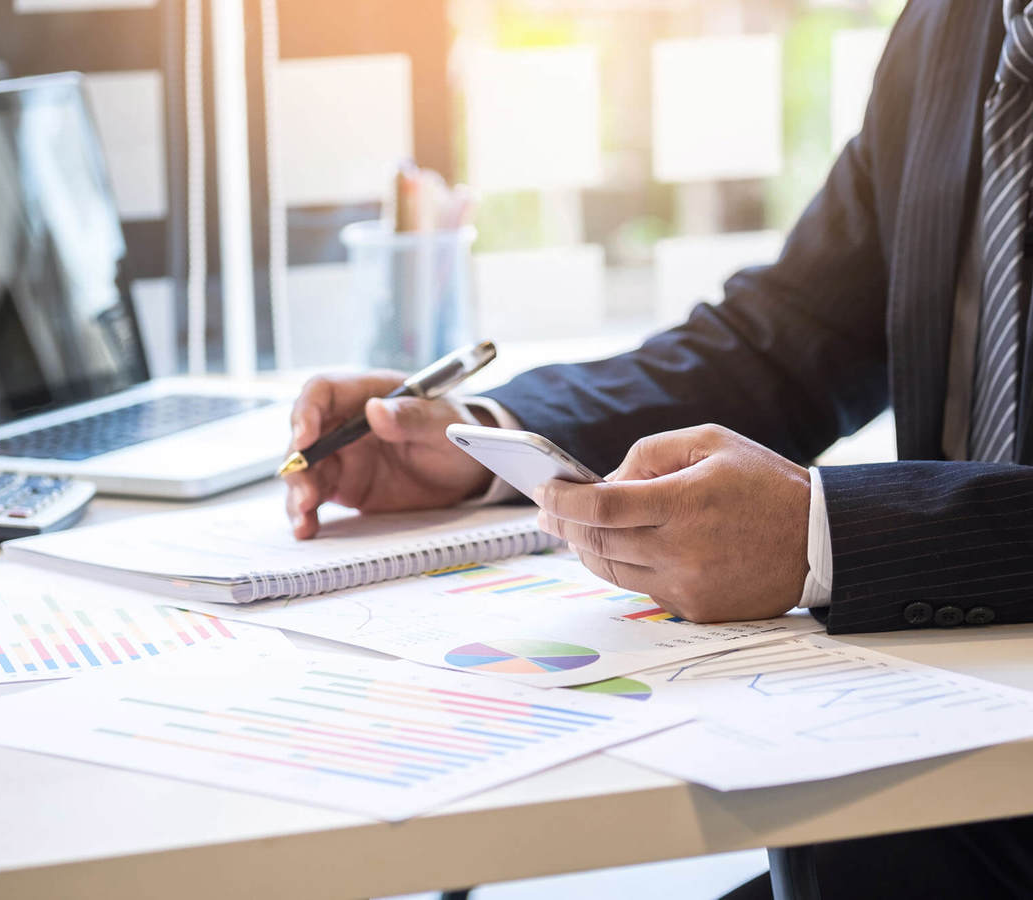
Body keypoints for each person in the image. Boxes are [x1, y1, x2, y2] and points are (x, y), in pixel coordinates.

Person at [285, 1, 1033, 896]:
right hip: (924, 792)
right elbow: (787, 340)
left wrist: (829, 537)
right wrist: (485, 435)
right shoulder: (957, 22)